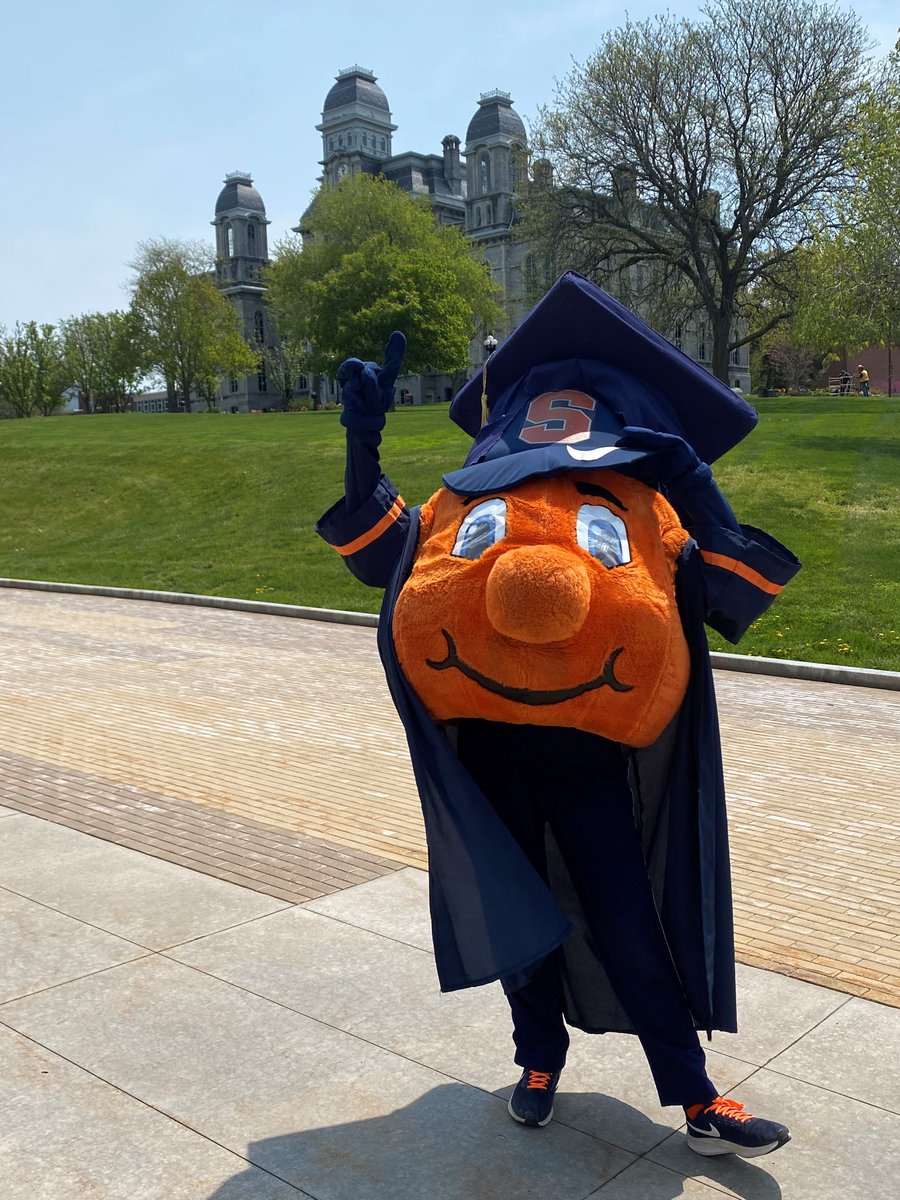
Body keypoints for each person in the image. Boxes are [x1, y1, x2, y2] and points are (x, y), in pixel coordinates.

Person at [317, 272, 800, 1159]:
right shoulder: (465, 499)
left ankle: (694, 1099)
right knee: (518, 918)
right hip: (492, 754)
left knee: (628, 924)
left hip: (589, 766)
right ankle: (538, 1060)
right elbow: (376, 556)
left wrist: (689, 479)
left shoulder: (639, 505)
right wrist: (362, 440)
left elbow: (736, 592)